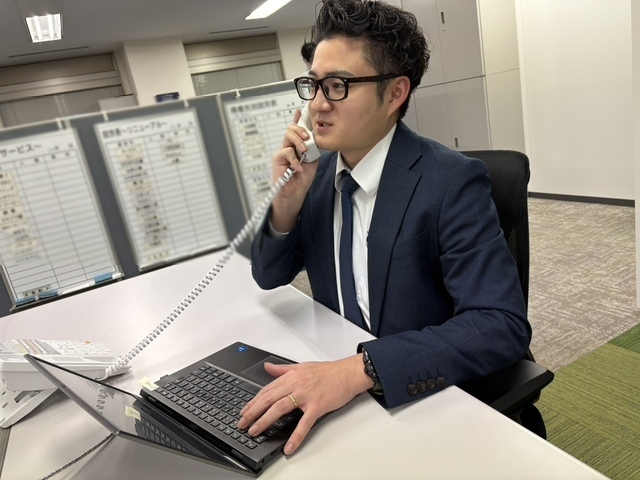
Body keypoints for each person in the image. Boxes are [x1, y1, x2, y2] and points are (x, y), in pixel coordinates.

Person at [239, 0, 531, 456]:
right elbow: (268, 274)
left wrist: (358, 370)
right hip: (340, 389)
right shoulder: (316, 176)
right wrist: (286, 202)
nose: (317, 104)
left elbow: (501, 324)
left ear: (395, 93)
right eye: (313, 85)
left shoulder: (450, 181)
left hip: (420, 397)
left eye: (338, 86)